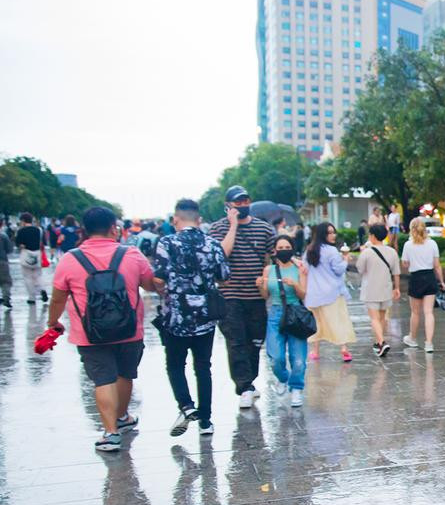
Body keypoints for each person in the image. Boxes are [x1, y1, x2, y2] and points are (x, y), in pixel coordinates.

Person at [46, 207, 156, 451]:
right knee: (125, 375)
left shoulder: (69, 259)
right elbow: (150, 285)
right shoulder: (132, 255)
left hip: (89, 333)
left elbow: (57, 298)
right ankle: (122, 417)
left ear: (84, 231)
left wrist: (53, 322)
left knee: (103, 379)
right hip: (129, 330)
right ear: (113, 229)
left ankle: (111, 433)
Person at [153, 198, 230, 437]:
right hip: (205, 317)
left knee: (175, 365)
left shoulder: (166, 242)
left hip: (176, 316)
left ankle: (186, 407)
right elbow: (224, 275)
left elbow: (158, 277)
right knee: (203, 367)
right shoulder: (212, 244)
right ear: (199, 220)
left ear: (175, 219)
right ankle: (206, 421)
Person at [208, 185, 276, 409]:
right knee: (236, 342)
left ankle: (249, 381)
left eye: (246, 201)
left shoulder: (264, 229)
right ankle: (244, 387)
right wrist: (233, 225)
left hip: (256, 295)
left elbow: (272, 258)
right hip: (229, 295)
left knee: (255, 341)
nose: (243, 205)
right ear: (228, 206)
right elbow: (221, 254)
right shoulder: (217, 229)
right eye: (238, 202)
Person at [257, 234, 309, 406]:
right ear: (274, 250)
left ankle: (296, 388)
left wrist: (295, 284)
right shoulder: (268, 270)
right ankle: (283, 378)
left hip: (295, 313)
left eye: (287, 248)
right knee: (275, 356)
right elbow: (265, 295)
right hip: (276, 314)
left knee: (299, 358)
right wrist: (260, 285)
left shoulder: (299, 268)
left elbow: (303, 294)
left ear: (292, 249)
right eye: (280, 248)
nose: (284, 251)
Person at [304, 221, 356, 362]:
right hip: (332, 292)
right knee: (339, 320)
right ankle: (344, 349)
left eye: (333, 232)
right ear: (323, 234)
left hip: (314, 293)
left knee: (316, 322)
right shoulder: (331, 251)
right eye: (330, 232)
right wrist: (345, 259)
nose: (333, 235)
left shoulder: (310, 250)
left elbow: (305, 269)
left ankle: (315, 351)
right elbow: (338, 270)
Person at [401, 218, 445, 353]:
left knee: (415, 312)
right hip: (430, 277)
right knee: (428, 312)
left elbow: (405, 264)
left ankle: (412, 338)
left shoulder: (408, 245)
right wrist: (442, 281)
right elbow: (437, 265)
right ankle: (429, 343)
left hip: (416, 278)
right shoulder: (432, 244)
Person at [357, 223, 401, 356]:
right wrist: (397, 288)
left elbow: (360, 269)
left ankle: (381, 342)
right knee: (382, 317)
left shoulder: (367, 252)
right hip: (386, 288)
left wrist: (361, 251)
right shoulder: (392, 252)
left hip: (370, 289)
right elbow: (396, 272)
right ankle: (378, 342)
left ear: (373, 236)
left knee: (374, 318)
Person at [15, 212, 47, 304]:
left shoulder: (21, 231)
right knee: (38, 275)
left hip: (26, 256)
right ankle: (42, 289)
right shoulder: (39, 230)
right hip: (37, 255)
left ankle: (32, 298)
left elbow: (18, 244)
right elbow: (43, 242)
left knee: (27, 277)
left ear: (23, 221)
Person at [0, 226, 12, 308]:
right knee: (5, 281)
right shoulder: (3, 236)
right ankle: (6, 298)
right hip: (2, 260)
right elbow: (9, 249)